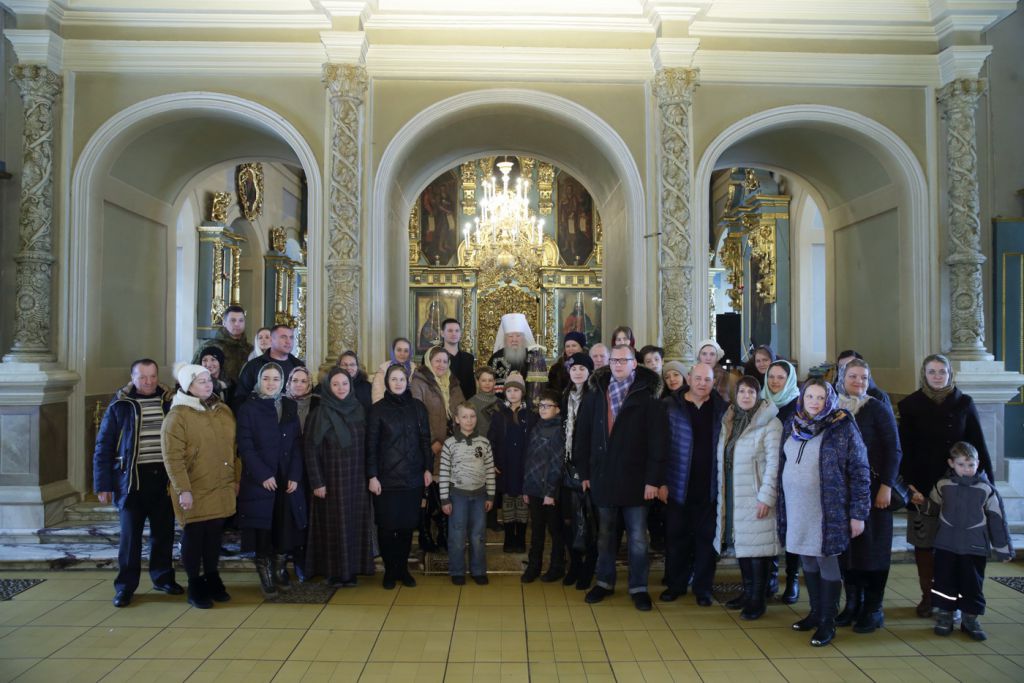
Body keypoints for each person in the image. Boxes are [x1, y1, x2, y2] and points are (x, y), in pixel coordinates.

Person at [898, 353, 994, 618]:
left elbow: (978, 445)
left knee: (957, 548)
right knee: (925, 544)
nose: (937, 376)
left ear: (950, 374)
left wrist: (986, 486)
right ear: (924, 374)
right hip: (922, 487)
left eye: (942, 371)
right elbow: (904, 450)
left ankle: (956, 601)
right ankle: (929, 597)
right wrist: (908, 486)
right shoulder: (910, 405)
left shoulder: (964, 403)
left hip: (960, 487)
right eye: (932, 371)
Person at [778, 378, 870, 647]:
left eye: (820, 398)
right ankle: (816, 613)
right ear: (802, 398)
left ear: (829, 400)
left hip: (827, 508)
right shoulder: (793, 424)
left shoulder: (842, 426)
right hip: (796, 506)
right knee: (806, 558)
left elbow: (860, 470)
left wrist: (858, 513)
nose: (815, 403)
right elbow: (783, 462)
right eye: (810, 397)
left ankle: (828, 622)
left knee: (825, 559)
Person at [575, 345, 667, 612]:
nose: (617, 365)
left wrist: (653, 480)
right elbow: (583, 433)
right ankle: (604, 582)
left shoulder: (647, 394)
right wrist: (585, 473)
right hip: (603, 477)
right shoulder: (596, 392)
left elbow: (658, 441)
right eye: (614, 360)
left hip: (636, 480)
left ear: (634, 363)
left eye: (623, 360)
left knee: (637, 538)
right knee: (605, 536)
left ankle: (638, 588)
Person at [93, 359, 182, 607]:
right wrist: (103, 485)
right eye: (142, 377)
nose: (148, 382)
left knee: (163, 534)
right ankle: (125, 586)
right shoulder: (120, 404)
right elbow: (104, 445)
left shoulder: (170, 401)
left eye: (152, 376)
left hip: (163, 479)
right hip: (131, 479)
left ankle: (163, 578)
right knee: (130, 538)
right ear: (132, 378)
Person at [161, 364, 239, 609]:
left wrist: (236, 478)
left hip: (221, 484)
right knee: (195, 535)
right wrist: (183, 489)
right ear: (188, 386)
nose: (208, 385)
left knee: (214, 535)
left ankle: (213, 577)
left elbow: (234, 449)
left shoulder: (222, 410)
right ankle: (195, 583)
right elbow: (172, 457)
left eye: (209, 380)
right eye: (201, 381)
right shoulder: (178, 416)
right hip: (194, 487)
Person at [835, 359, 902, 633]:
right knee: (848, 551)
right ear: (842, 377)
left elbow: (894, 449)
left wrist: (886, 485)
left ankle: (873, 608)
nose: (858, 381)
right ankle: (852, 604)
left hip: (875, 493)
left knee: (873, 550)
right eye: (853, 376)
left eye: (863, 377)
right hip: (842, 492)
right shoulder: (834, 407)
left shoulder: (877, 408)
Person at [712, 376, 782, 620]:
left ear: (758, 395)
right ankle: (748, 591)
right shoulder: (730, 419)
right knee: (743, 545)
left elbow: (774, 464)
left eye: (751, 392)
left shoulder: (770, 423)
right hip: (734, 491)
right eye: (741, 391)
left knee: (758, 550)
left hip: (756, 494)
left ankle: (757, 599)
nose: (746, 396)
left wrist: (766, 497)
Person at [929, 442, 1014, 641]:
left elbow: (997, 519)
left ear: (978, 463)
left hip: (974, 547)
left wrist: (1003, 549)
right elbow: (933, 508)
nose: (967, 469)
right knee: (943, 582)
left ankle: (970, 619)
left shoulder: (986, 489)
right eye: (961, 465)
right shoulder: (942, 485)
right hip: (946, 545)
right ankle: (945, 616)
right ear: (951, 463)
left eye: (971, 465)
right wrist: (920, 503)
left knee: (972, 584)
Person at [235, 363, 307, 595]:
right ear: (259, 380)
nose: (271, 383)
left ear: (282, 382)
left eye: (276, 379)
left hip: (285, 478)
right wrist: (263, 474)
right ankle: (266, 576)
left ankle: (279, 569)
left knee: (283, 527)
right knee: (262, 532)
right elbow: (245, 446)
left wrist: (294, 475)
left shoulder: (289, 405)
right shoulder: (248, 408)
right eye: (266, 378)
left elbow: (296, 443)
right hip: (260, 480)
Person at [660, 362, 727, 606]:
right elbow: (659, 445)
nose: (702, 383)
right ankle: (675, 585)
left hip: (710, 486)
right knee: (676, 538)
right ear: (689, 378)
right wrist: (661, 482)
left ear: (713, 382)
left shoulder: (722, 408)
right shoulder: (670, 406)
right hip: (677, 484)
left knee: (706, 540)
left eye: (707, 379)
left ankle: (703, 589)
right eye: (697, 378)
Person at [304, 368, 374, 587]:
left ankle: (352, 570)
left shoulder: (359, 409)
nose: (341, 388)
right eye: (335, 384)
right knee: (333, 526)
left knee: (354, 525)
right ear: (328, 387)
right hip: (331, 479)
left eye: (344, 383)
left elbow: (368, 445)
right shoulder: (319, 414)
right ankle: (333, 572)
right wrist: (317, 482)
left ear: (351, 385)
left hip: (356, 479)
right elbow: (310, 450)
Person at [367, 364, 433, 589]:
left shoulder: (418, 407)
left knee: (406, 527)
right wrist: (372, 475)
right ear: (387, 382)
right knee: (387, 527)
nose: (398, 383)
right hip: (385, 480)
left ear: (407, 382)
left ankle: (403, 569)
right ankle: (390, 570)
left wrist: (428, 468)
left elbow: (425, 440)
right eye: (393, 379)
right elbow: (371, 446)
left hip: (412, 478)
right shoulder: (377, 409)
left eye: (401, 379)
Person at [410, 346, 467, 551]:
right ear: (429, 362)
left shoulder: (453, 382)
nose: (441, 365)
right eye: (437, 361)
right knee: (429, 491)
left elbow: (462, 410)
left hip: (452, 444)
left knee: (447, 490)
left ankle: (444, 532)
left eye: (445, 361)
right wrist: (433, 440)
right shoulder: (419, 381)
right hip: (431, 445)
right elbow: (418, 414)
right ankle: (425, 534)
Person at [439, 402, 495, 585]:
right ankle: (457, 571)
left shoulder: (484, 442)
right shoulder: (449, 444)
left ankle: (478, 570)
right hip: (457, 497)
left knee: (478, 536)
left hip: (480, 496)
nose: (469, 420)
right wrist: (445, 499)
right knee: (457, 535)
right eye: (464, 417)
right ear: (457, 419)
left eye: (472, 416)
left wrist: (490, 495)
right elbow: (444, 473)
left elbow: (489, 470)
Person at [761, 358, 802, 603]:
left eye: (780, 377)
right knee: (770, 527)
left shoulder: (799, 405)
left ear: (789, 380)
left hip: (791, 474)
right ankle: (771, 577)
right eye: (771, 377)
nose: (775, 381)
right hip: (766, 472)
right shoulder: (762, 402)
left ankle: (793, 579)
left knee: (793, 528)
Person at [488, 372, 537, 553]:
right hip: (505, 465)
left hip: (524, 466)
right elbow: (491, 439)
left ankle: (520, 538)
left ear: (522, 392)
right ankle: (509, 538)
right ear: (505, 393)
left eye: (516, 390)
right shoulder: (499, 413)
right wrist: (493, 461)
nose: (513, 394)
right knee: (508, 500)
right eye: (509, 391)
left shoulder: (531, 414)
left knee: (522, 501)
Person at [522, 389, 567, 583]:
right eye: (541, 405)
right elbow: (530, 460)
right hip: (533, 488)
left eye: (548, 406)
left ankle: (557, 567)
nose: (543, 409)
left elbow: (557, 464)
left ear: (557, 409)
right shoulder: (537, 427)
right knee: (537, 530)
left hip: (549, 491)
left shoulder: (559, 431)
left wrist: (550, 492)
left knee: (555, 531)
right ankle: (534, 567)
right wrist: (526, 488)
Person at [234, 325, 304, 411]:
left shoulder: (299, 366)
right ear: (271, 340)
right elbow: (240, 398)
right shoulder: (254, 365)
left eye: (291, 337)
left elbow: (306, 397)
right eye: (283, 337)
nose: (288, 341)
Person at [487, 312, 548, 404]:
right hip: (501, 406)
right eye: (510, 336)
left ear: (523, 338)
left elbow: (540, 387)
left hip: (529, 405)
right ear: (505, 338)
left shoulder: (534, 357)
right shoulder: (496, 358)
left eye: (518, 336)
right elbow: (490, 386)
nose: (514, 340)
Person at [192, 305, 252, 383]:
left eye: (241, 320)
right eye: (233, 320)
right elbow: (193, 374)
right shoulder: (209, 347)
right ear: (224, 322)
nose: (237, 324)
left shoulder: (250, 349)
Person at [371, 337, 418, 404]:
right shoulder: (383, 370)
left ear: (410, 353)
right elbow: (377, 397)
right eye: (399, 350)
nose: (402, 354)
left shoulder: (415, 369)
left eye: (406, 351)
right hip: (388, 407)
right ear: (393, 351)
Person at [442, 318, 476, 400]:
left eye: (457, 331)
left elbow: (471, 387)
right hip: (441, 402)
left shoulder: (468, 358)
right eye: (450, 331)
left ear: (460, 334)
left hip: (464, 403)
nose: (454, 334)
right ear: (442, 333)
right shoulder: (433, 357)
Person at [285, 366, 318, 432]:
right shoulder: (281, 402)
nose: (298, 385)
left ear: (309, 384)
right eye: (295, 380)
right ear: (289, 382)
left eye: (303, 381)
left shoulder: (317, 403)